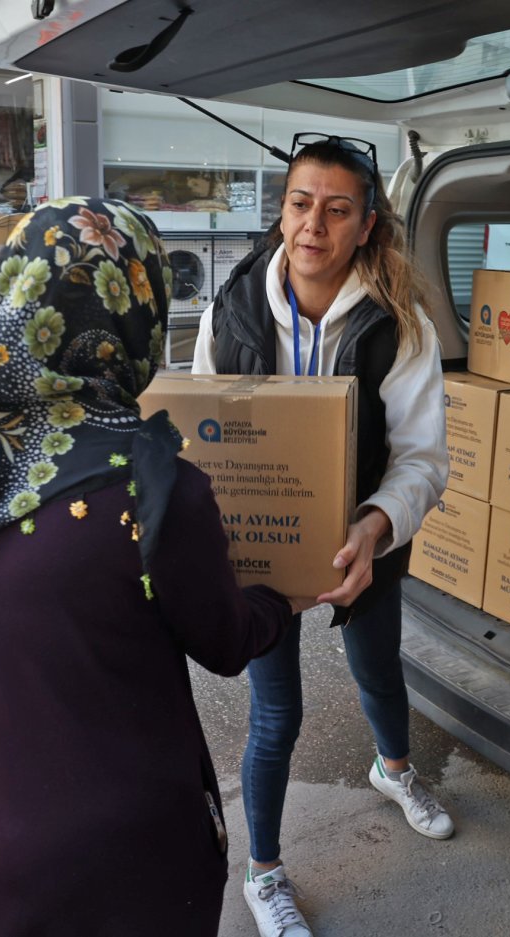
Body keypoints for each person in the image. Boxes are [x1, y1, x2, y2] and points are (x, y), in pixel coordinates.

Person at [0, 197, 303, 937]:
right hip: (111, 848)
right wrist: (289, 597)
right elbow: (227, 640)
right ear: (132, 310)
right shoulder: (152, 484)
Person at [192, 133, 452, 937]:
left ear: (367, 225)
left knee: (378, 671)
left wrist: (374, 528)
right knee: (276, 714)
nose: (314, 225)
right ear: (282, 211)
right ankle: (264, 873)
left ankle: (394, 769)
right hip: (263, 544)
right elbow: (198, 431)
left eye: (338, 210)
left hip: (363, 540)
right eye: (301, 204)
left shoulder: (399, 327)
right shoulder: (229, 310)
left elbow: (422, 459)